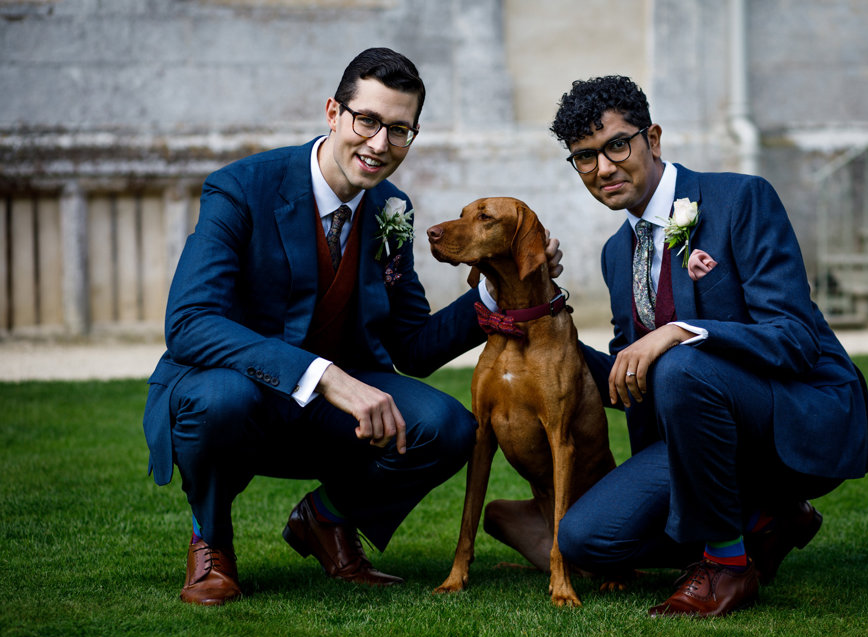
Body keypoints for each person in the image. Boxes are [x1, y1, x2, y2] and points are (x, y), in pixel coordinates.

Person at [142, 47, 560, 606]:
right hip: (236, 393)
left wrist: (496, 290)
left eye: (400, 130)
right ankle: (212, 542)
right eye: (367, 120)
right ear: (333, 113)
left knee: (448, 426)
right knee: (221, 400)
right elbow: (190, 323)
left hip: (330, 415)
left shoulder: (392, 208)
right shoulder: (240, 188)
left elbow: (411, 347)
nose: (380, 144)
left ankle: (327, 518)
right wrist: (324, 375)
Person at [487, 75, 868, 618]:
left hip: (797, 411)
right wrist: (542, 325)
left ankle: (726, 566)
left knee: (681, 365)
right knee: (585, 541)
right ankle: (766, 519)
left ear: (654, 138)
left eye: (617, 145)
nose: (603, 168)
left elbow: (794, 338)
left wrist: (678, 332)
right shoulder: (615, 254)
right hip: (698, 437)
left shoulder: (741, 199)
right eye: (583, 157)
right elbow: (630, 379)